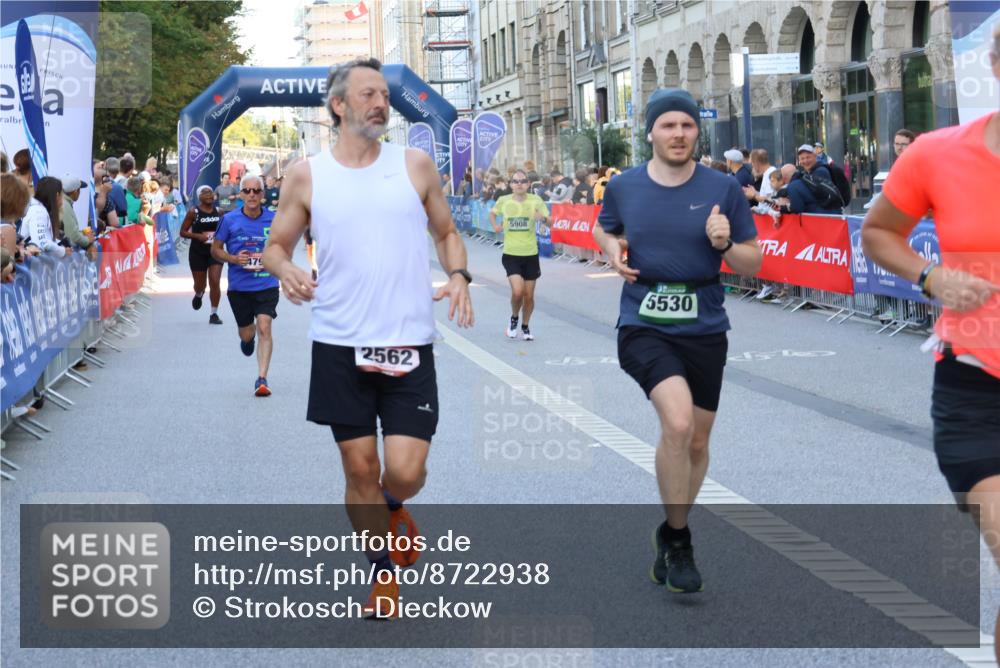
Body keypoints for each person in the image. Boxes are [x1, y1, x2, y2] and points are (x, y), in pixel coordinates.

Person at [261, 57, 474, 619]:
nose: (381, 103)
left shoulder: (414, 164)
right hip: (338, 341)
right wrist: (286, 271)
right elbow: (275, 246)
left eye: (385, 94)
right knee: (358, 468)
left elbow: (448, 233)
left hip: (408, 340)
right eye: (369, 95)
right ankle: (383, 575)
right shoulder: (307, 174)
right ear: (339, 106)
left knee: (403, 470)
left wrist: (457, 276)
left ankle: (394, 505)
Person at [862, 23, 1000, 661]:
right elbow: (878, 232)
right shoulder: (938, 153)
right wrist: (932, 274)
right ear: (995, 66)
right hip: (977, 388)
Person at [592, 88, 761, 594]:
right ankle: (682, 540)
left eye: (686, 126)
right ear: (650, 132)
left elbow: (754, 262)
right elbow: (604, 230)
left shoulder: (722, 188)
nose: (678, 134)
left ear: (696, 131)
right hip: (643, 322)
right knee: (679, 422)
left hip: (705, 324)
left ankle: (668, 530)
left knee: (699, 440)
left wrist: (726, 244)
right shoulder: (624, 186)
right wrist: (612, 251)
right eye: (668, 126)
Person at [211, 175, 277, 394]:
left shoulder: (274, 219)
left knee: (265, 327)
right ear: (240, 195)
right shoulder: (229, 220)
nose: (251, 195)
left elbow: (284, 247)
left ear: (262, 195)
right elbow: (216, 249)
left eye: (256, 191)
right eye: (247, 191)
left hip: (267, 284)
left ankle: (262, 379)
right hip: (240, 287)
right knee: (247, 334)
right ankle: (247, 342)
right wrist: (233, 258)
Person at [490, 168, 550, 340]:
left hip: (530, 254)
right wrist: (495, 226)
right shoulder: (504, 200)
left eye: (523, 181)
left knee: (529, 296)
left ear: (528, 184)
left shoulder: (536, 200)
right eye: (515, 181)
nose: (519, 184)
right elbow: (492, 214)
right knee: (518, 292)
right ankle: (514, 318)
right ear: (511, 184)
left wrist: (543, 218)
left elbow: (551, 222)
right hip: (511, 253)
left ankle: (525, 326)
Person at [181, 185, 224, 324]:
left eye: (211, 192)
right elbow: (182, 232)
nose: (209, 195)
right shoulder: (194, 212)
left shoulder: (220, 211)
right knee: (200, 285)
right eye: (205, 193)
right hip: (197, 252)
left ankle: (214, 314)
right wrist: (197, 236)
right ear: (199, 197)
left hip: (215, 252)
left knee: (215, 281)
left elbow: (226, 230)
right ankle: (199, 294)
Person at [22, 177, 72, 258]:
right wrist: (63, 251)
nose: (63, 199)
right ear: (57, 195)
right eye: (62, 194)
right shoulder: (38, 211)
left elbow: (45, 240)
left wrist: (60, 246)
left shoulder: (39, 210)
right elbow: (42, 243)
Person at [785, 145, 842, 215]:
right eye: (802, 158)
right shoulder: (805, 173)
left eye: (808, 157)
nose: (805, 161)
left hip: (828, 216)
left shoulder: (821, 171)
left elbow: (813, 199)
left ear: (815, 156)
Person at [60, 177, 96, 254]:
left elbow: (69, 231)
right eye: (79, 190)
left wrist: (82, 233)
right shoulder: (65, 205)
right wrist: (87, 240)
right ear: (75, 191)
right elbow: (72, 236)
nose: (80, 193)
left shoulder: (64, 203)